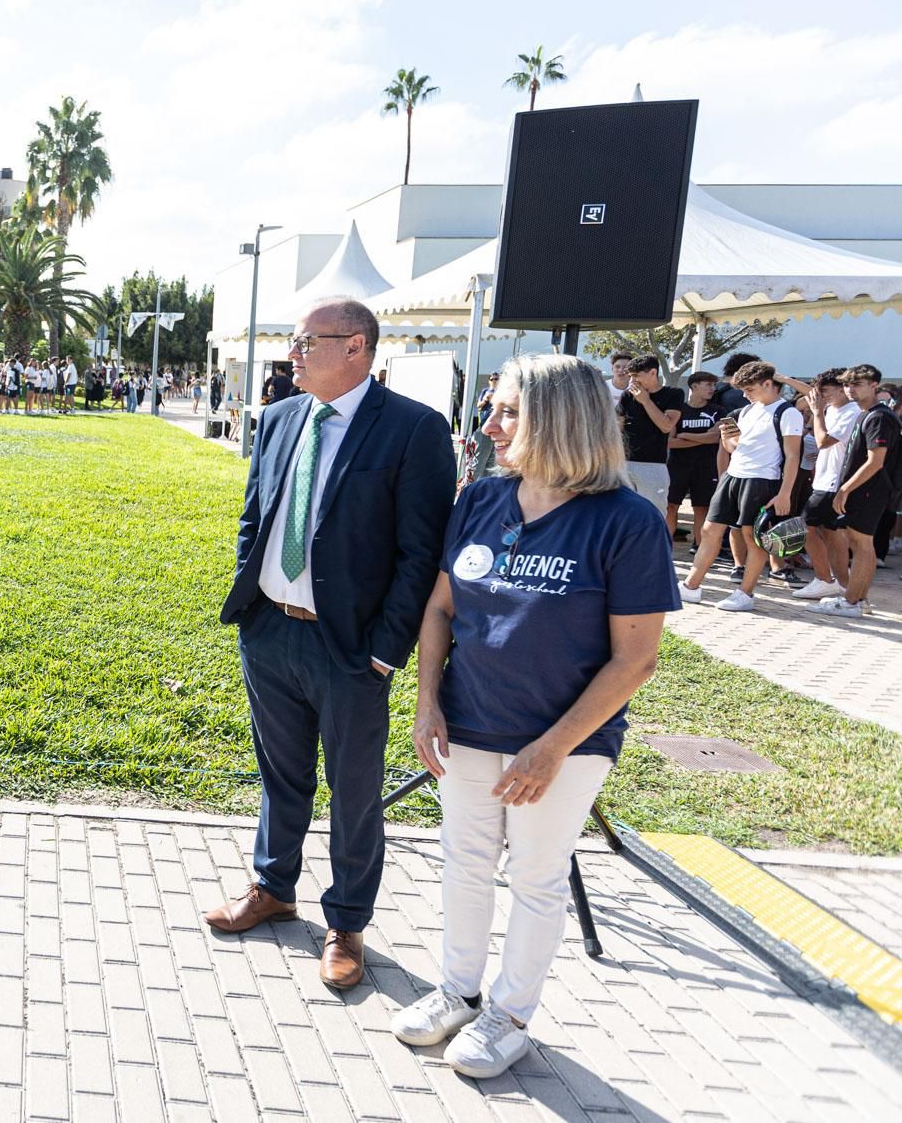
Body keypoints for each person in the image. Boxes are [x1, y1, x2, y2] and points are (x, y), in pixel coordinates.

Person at [394, 352, 675, 1079]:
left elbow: (634, 661)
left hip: (565, 743)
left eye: (508, 410)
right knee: (464, 861)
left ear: (559, 418)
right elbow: (440, 606)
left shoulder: (627, 522)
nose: (489, 423)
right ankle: (457, 989)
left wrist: (553, 748)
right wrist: (427, 698)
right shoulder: (481, 500)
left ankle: (509, 1014)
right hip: (468, 722)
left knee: (538, 877)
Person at [204, 298, 455, 990]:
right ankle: (273, 886)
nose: (294, 352)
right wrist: (251, 602)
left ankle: (347, 923)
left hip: (351, 649)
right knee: (280, 775)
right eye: (296, 339)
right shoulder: (282, 417)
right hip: (272, 632)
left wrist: (383, 651)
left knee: (354, 791)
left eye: (307, 341)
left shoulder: (413, 429)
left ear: (356, 348)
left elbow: (420, 553)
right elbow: (256, 516)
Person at [678, 361, 803, 612]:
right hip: (733, 476)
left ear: (768, 384)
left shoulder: (788, 413)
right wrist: (727, 440)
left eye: (750, 389)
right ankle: (691, 586)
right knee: (710, 529)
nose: (745, 395)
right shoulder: (746, 411)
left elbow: (792, 456)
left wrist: (784, 493)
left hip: (762, 480)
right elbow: (737, 448)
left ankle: (745, 594)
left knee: (752, 537)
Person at [813, 365, 897, 618]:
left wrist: (844, 490)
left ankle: (852, 602)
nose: (850, 390)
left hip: (869, 490)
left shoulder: (879, 417)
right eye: (848, 385)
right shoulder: (866, 413)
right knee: (860, 544)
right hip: (864, 490)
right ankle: (857, 599)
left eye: (857, 384)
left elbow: (875, 461)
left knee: (861, 544)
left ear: (874, 385)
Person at [793, 369, 858, 601]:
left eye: (825, 392)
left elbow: (822, 441)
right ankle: (842, 584)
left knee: (804, 528)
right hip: (825, 479)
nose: (820, 396)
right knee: (831, 534)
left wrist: (817, 413)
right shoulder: (832, 407)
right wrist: (783, 379)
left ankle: (825, 580)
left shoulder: (851, 412)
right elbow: (810, 393)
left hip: (833, 482)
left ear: (842, 389)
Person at [616, 356, 683, 518]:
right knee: (621, 513)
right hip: (623, 463)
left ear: (653, 373)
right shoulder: (627, 395)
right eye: (630, 376)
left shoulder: (673, 394)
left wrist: (646, 401)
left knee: (653, 514)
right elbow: (616, 426)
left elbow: (666, 426)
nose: (632, 380)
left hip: (652, 465)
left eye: (636, 376)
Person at [667, 372, 722, 545]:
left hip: (706, 467)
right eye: (708, 385)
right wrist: (702, 438)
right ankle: (665, 546)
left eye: (714, 385)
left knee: (701, 508)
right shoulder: (679, 410)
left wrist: (686, 435)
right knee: (670, 506)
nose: (712, 389)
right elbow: (670, 442)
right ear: (694, 386)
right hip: (678, 466)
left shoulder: (718, 411)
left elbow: (716, 437)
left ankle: (699, 547)